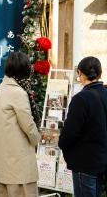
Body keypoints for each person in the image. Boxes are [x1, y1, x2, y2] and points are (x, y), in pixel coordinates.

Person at [0, 52, 40, 197]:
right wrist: (37, 139)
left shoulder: (3, 86)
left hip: (4, 155)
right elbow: (28, 125)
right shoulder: (18, 92)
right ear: (24, 70)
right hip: (17, 158)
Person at [58, 56, 107, 197]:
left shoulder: (81, 98)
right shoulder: (105, 94)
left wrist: (63, 144)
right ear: (99, 73)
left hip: (84, 162)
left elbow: (70, 133)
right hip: (101, 160)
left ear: (79, 73)